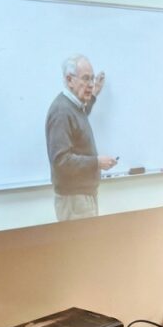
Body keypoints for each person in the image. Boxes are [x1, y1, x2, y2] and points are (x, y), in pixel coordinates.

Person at [45, 54, 118, 220]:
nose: (91, 85)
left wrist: (93, 95)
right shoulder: (61, 112)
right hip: (74, 201)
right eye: (86, 79)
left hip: (82, 198)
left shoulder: (73, 107)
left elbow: (79, 118)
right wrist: (97, 162)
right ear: (70, 80)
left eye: (92, 79)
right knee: (83, 246)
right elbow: (61, 161)